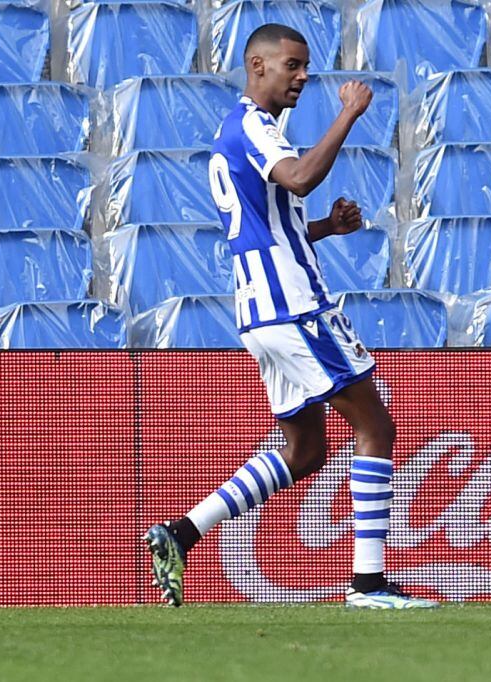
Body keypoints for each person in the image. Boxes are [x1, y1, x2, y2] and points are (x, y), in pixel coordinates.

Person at [143, 23, 437, 610]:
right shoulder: (252, 124)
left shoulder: (238, 134)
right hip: (295, 305)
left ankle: (180, 534)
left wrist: (327, 226)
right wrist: (349, 114)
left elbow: (272, 223)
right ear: (258, 66)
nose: (304, 76)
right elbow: (299, 176)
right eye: (293, 66)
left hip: (260, 314)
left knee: (304, 452)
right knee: (375, 426)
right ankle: (369, 585)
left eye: (305, 66)